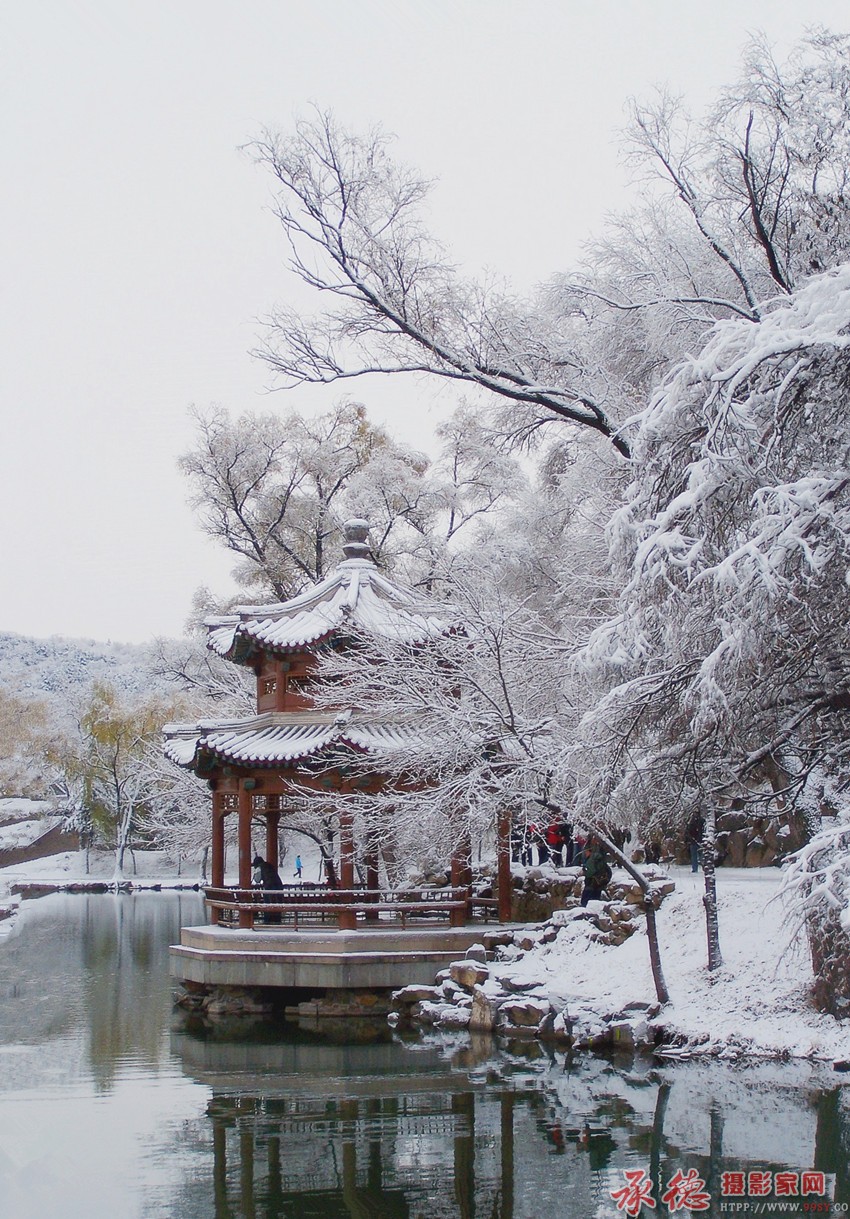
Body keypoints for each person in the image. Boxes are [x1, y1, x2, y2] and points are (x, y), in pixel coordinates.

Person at [581, 836, 612, 906]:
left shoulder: (591, 860)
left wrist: (584, 873)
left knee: (585, 902)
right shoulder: (600, 857)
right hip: (599, 884)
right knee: (596, 902)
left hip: (591, 884)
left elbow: (590, 872)